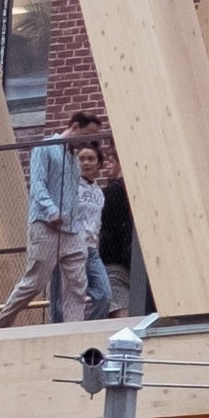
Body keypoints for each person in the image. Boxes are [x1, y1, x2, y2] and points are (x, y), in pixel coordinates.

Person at [5, 108, 93, 321]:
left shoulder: (73, 159)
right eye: (88, 134)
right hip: (46, 225)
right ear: (74, 127)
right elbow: (37, 185)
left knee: (77, 284)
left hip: (70, 230)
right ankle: (2, 321)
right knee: (35, 283)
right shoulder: (45, 148)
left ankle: (73, 328)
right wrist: (52, 211)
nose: (89, 141)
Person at [82, 125, 144, 320]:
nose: (107, 164)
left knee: (118, 307)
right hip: (133, 262)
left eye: (111, 160)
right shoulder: (136, 193)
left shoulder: (109, 194)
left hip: (112, 262)